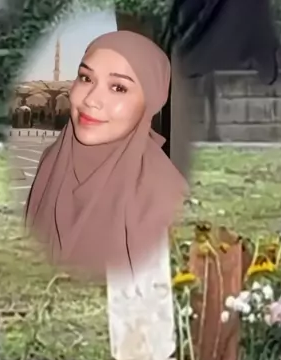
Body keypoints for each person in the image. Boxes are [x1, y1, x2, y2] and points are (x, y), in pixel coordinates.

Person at [24, 30, 187, 279]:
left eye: (118, 88)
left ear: (150, 101)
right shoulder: (52, 161)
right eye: (86, 78)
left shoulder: (165, 197)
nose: (91, 100)